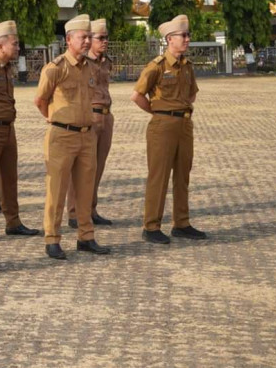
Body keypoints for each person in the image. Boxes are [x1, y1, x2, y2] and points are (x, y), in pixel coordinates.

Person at [34, 14, 111, 260]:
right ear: (69, 40)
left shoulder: (91, 68)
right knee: (56, 190)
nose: (88, 41)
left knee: (85, 190)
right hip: (62, 135)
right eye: (83, 37)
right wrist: (54, 119)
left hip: (87, 135)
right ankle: (52, 239)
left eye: (90, 37)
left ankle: (86, 237)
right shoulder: (56, 68)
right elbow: (40, 100)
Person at [130, 14, 206, 244]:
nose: (187, 39)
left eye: (188, 35)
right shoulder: (157, 66)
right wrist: (158, 112)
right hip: (162, 126)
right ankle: (151, 226)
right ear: (170, 39)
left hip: (184, 124)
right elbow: (137, 96)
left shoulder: (187, 66)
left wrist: (180, 108)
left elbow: (192, 93)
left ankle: (181, 223)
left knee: (183, 175)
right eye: (183, 35)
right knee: (159, 176)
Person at [0, 21, 39, 238]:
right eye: (14, 44)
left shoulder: (7, 69)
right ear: (0, 46)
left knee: (9, 178)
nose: (18, 48)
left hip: (8, 128)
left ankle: (13, 221)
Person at [66, 19, 114, 228]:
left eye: (106, 38)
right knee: (81, 169)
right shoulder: (82, 63)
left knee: (97, 167)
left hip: (106, 115)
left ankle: (91, 208)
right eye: (100, 38)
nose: (104, 42)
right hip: (89, 116)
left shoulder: (106, 62)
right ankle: (75, 213)